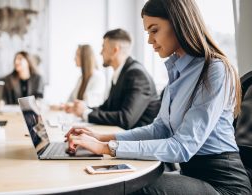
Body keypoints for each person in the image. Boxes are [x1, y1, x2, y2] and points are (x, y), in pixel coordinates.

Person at [65, 0, 252, 194]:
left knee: (127, 188)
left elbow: (182, 146)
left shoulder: (214, 70)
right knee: (114, 181)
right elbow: (159, 129)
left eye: (154, 30)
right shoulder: (176, 70)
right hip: (192, 174)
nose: (149, 40)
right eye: (148, 32)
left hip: (223, 184)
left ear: (180, 24)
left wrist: (106, 147)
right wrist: (101, 137)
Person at [67, 29, 160, 130]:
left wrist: (85, 114)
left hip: (138, 141)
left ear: (115, 50)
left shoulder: (137, 75)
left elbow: (125, 119)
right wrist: (85, 109)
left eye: (103, 47)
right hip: (121, 135)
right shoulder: (121, 73)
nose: (100, 52)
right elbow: (107, 108)